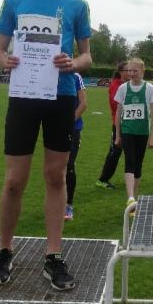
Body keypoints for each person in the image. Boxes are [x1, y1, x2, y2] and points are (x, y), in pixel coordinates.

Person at [0, 0, 92, 290]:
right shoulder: (14, 1)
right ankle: (4, 250)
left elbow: (87, 56)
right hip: (23, 96)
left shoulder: (77, 4)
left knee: (55, 176)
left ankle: (53, 254)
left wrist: (72, 64)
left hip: (60, 97)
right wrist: (5, 60)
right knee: (14, 180)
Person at [114, 57, 153, 213]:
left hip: (142, 132)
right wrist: (117, 135)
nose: (131, 73)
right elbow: (118, 112)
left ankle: (134, 199)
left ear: (142, 70)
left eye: (134, 70)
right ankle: (130, 197)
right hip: (127, 131)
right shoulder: (123, 88)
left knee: (138, 164)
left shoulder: (149, 88)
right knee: (130, 161)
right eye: (129, 70)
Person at [95, 61, 130, 189]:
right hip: (119, 124)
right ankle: (102, 179)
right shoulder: (116, 85)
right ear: (121, 72)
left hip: (129, 123)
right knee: (114, 152)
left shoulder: (126, 84)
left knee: (129, 152)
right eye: (127, 70)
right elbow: (116, 105)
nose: (130, 72)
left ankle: (131, 178)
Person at [65, 72, 87, 221]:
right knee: (54, 168)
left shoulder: (75, 76)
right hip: (52, 128)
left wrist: (68, 122)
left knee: (69, 165)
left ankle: (68, 204)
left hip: (72, 128)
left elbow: (83, 104)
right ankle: (55, 203)